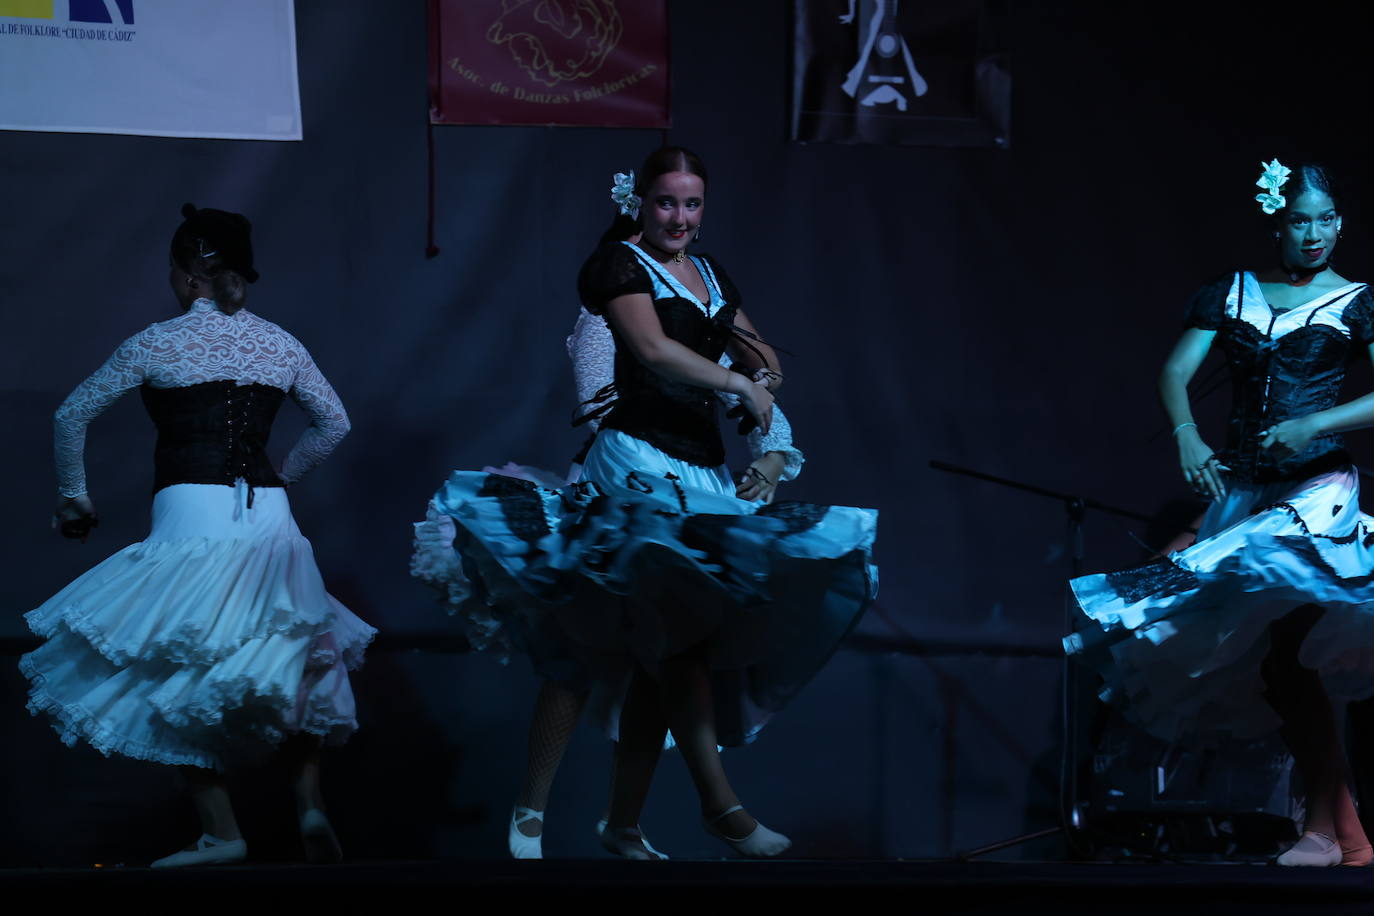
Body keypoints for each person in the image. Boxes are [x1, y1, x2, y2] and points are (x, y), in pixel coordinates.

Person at [415, 146, 877, 859]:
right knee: (602, 648)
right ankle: (582, 813)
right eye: (667, 202)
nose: (680, 218)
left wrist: (773, 440)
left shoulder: (712, 275)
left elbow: (761, 365)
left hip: (700, 474)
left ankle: (625, 824)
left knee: (671, 644)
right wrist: (738, 386)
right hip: (631, 466)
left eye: (692, 204)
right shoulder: (617, 273)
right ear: (639, 202)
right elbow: (650, 361)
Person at [22, 204, 375, 868]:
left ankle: (221, 829)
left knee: (177, 659)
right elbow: (335, 424)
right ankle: (310, 808)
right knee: (292, 654)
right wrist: (284, 478)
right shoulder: (282, 343)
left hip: (190, 510)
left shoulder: (156, 343)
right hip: (270, 517)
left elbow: (72, 413)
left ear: (186, 278)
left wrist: (75, 497)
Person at [1066, 161, 1374, 867]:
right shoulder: (1231, 293)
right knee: (1277, 671)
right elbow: (1175, 372)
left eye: (1327, 219)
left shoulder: (1355, 302)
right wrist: (1185, 432)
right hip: (1245, 494)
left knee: (1295, 658)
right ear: (1280, 224)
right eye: (1301, 219)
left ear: (1341, 225)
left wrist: (1314, 422)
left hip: (1315, 494)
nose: (1316, 233)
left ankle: (1327, 834)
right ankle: (1349, 835)